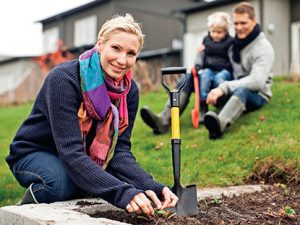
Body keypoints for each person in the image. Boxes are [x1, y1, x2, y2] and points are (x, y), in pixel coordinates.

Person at [6, 14, 178, 215]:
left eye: (131, 53)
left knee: (89, 182)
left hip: (78, 155)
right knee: (60, 184)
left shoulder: (128, 92)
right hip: (35, 151)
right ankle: (19, 213)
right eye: (115, 48)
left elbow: (119, 153)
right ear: (100, 44)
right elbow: (72, 153)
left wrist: (154, 187)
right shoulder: (64, 79)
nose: (122, 60)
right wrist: (123, 193)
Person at [140, 11, 234, 134]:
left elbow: (234, 61)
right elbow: (201, 56)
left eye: (219, 32)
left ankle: (217, 112)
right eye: (213, 32)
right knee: (188, 77)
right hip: (207, 73)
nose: (215, 35)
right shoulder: (206, 41)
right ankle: (164, 119)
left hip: (224, 78)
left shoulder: (231, 42)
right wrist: (197, 65)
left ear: (226, 31)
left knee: (219, 79)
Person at [203, 2, 275, 139]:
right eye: (236, 24)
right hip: (235, 86)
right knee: (212, 78)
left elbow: (257, 82)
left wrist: (223, 88)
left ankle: (218, 125)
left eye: (243, 23)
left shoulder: (263, 47)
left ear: (253, 22)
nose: (239, 27)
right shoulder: (234, 44)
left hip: (257, 94)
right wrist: (203, 50)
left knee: (242, 90)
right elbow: (217, 53)